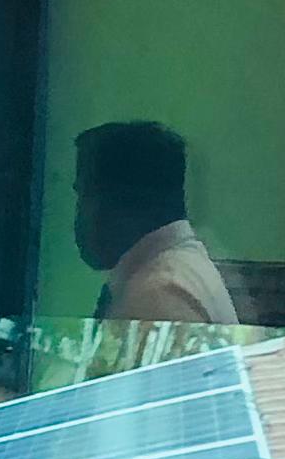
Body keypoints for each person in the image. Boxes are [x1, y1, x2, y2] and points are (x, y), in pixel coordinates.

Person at [72, 120, 236, 329]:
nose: (79, 214)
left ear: (121, 199)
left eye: (85, 195)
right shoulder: (177, 270)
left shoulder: (157, 293)